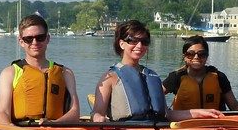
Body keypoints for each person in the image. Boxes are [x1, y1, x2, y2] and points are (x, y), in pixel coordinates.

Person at [91, 20, 224, 122]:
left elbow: (168, 114)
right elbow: (97, 112)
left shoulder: (152, 76)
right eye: (133, 41)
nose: (139, 46)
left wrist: (201, 113)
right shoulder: (109, 78)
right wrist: (98, 117)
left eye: (144, 41)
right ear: (121, 44)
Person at [0, 14, 80, 124]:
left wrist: (54, 124)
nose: (35, 42)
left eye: (40, 38)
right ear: (21, 42)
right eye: (29, 39)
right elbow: (2, 113)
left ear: (47, 39)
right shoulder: (9, 73)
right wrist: (12, 129)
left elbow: (75, 112)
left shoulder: (66, 73)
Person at [162, 35, 238, 112]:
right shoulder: (176, 77)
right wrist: (164, 111)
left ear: (207, 56)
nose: (196, 57)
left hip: (215, 126)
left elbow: (235, 107)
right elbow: (155, 96)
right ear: (184, 56)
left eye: (201, 54)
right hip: (185, 125)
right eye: (190, 54)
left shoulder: (219, 77)